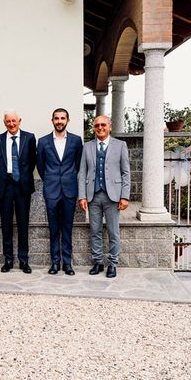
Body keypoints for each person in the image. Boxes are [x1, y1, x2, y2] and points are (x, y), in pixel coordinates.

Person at [78, 114, 130, 278]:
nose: (100, 128)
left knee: (113, 232)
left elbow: (125, 173)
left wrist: (125, 196)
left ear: (109, 126)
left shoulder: (120, 145)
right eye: (97, 125)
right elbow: (82, 173)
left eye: (103, 125)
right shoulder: (87, 146)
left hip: (113, 197)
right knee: (95, 231)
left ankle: (112, 264)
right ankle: (98, 262)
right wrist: (82, 196)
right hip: (93, 195)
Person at [36, 108, 83, 275]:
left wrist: (68, 178)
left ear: (68, 121)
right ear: (52, 120)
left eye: (63, 118)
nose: (59, 121)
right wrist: (50, 179)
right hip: (51, 190)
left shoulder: (77, 141)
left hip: (69, 190)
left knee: (67, 228)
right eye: (57, 118)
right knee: (54, 228)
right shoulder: (43, 142)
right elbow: (40, 166)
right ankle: (55, 263)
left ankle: (68, 263)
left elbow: (78, 164)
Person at [0, 110, 36, 273]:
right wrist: (7, 176)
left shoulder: (29, 138)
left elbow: (32, 162)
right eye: (8, 121)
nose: (11, 124)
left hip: (23, 186)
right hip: (5, 185)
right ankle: (8, 259)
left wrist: (21, 176)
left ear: (19, 121)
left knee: (23, 225)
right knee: (6, 225)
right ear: (4, 123)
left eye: (14, 121)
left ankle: (24, 260)